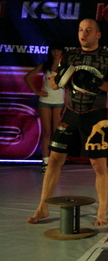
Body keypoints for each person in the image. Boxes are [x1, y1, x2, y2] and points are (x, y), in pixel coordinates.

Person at [27, 18, 108, 226]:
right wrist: (61, 79)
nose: (84, 33)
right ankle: (42, 208)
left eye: (89, 30)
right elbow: (53, 85)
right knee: (54, 160)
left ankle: (101, 212)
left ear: (97, 35)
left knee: (98, 165)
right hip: (71, 114)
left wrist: (100, 84)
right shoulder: (69, 56)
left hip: (95, 116)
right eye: (81, 29)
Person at [23, 42, 65, 173]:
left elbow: (69, 88)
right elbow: (27, 77)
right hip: (45, 101)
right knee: (46, 132)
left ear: (62, 52)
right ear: (50, 52)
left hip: (59, 102)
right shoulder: (45, 65)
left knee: (56, 133)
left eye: (58, 50)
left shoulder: (65, 66)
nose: (56, 53)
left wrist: (67, 104)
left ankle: (54, 162)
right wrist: (37, 91)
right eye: (53, 50)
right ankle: (45, 162)